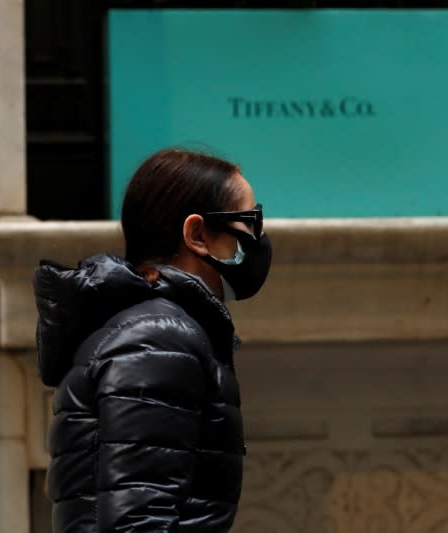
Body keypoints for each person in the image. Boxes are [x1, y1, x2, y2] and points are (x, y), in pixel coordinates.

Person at [33, 148, 272, 532]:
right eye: (247, 222)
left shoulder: (148, 330)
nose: (255, 240)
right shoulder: (160, 339)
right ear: (196, 234)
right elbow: (138, 522)